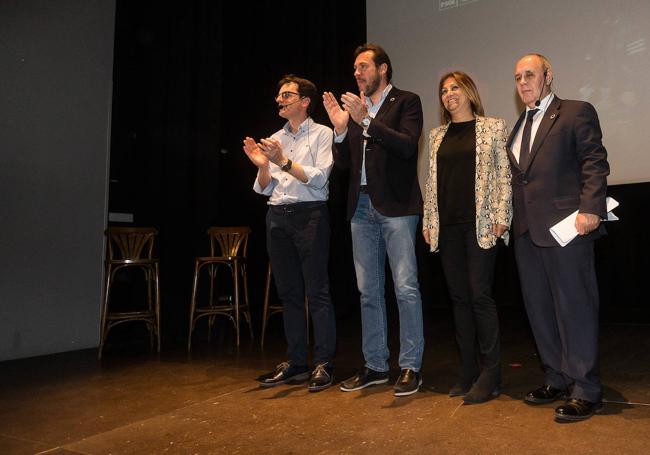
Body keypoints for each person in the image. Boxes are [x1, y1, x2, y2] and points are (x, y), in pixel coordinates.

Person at [507, 54, 610, 421]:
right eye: (518, 77)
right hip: (526, 232)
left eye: (530, 74)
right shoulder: (518, 125)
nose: (523, 82)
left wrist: (591, 208)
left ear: (548, 75)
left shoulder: (575, 111)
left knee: (574, 309)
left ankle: (585, 388)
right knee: (540, 310)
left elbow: (594, 161)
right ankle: (556, 377)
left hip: (568, 227)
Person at [322, 43, 424, 396]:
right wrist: (340, 130)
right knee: (368, 292)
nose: (357, 73)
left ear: (382, 69)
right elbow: (346, 165)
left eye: (363, 66)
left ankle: (410, 366)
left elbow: (407, 147)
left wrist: (366, 120)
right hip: (360, 208)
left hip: (396, 206)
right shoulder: (355, 113)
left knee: (405, 288)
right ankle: (376, 365)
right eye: (354, 68)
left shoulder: (406, 102)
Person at [422, 71, 512, 404]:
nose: (449, 94)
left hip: (482, 225)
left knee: (480, 296)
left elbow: (504, 175)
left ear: (469, 91)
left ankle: (491, 374)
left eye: (455, 88)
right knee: (458, 299)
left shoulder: (493, 127)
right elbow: (431, 182)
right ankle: (467, 369)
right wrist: (429, 220)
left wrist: (503, 217)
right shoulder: (436, 135)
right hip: (447, 227)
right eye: (443, 90)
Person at [243, 75, 336, 392]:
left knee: (317, 292)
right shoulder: (273, 137)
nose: (279, 100)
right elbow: (265, 187)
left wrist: (282, 160)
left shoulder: (323, 134)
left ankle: (324, 362)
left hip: (310, 215)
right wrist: (263, 164)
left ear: (305, 101)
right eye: (278, 96)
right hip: (277, 216)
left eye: (287, 95)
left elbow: (319, 178)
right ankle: (297, 361)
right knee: (289, 293)